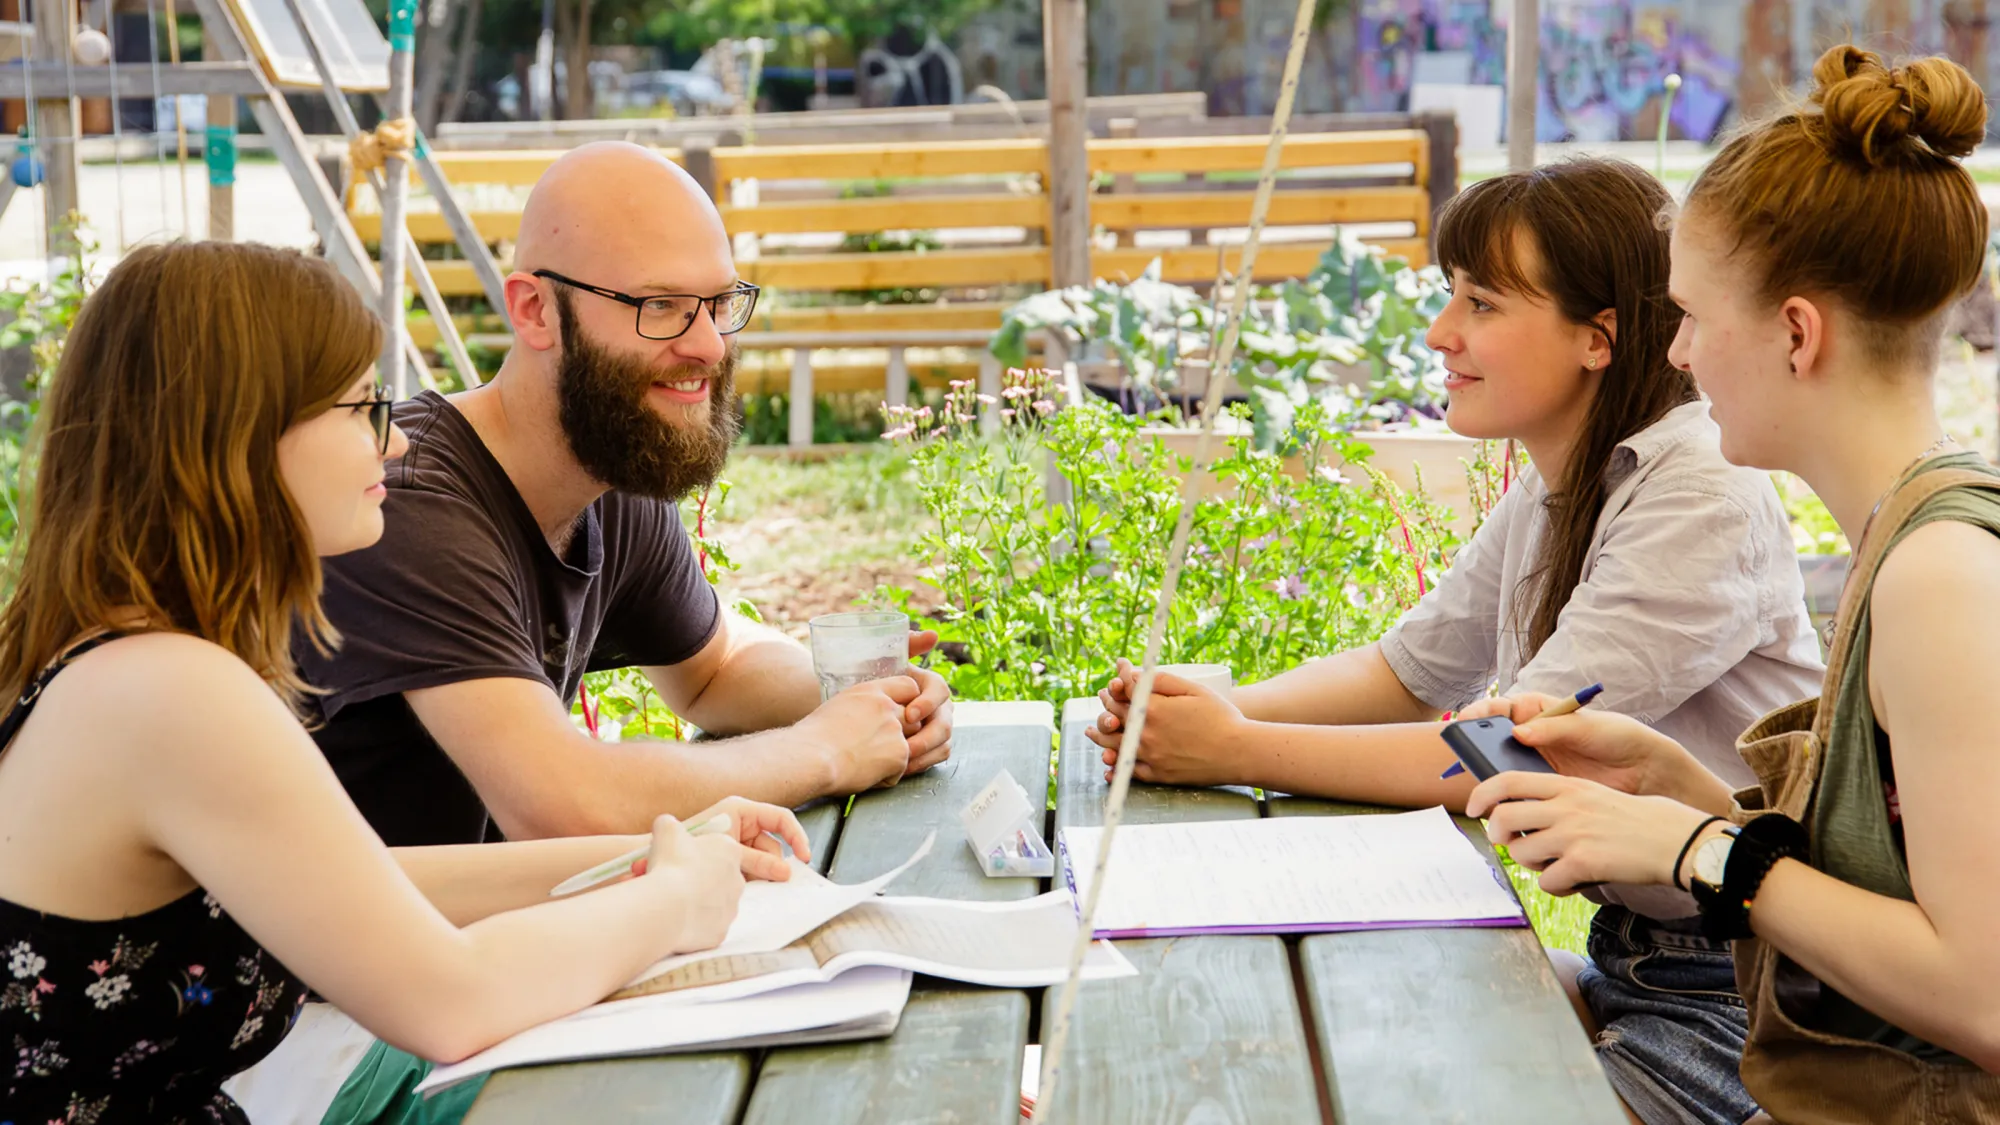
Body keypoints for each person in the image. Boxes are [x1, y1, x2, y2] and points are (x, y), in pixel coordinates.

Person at [1089, 157, 1825, 1125]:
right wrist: (1205, 710)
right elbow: (1402, 671)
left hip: (1744, 1001)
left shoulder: (1695, 495)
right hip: (1636, 959)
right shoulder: (1560, 482)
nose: (1440, 334)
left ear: (1595, 338)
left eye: (1479, 303)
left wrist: (1231, 750)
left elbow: (1504, 752)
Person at [0, 241, 804, 1123]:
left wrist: (653, 850)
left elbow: (360, 881)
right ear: (239, 436)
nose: (397, 436)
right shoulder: (171, 693)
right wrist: (676, 901)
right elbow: (452, 1001)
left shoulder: (120, 652)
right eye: (361, 406)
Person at [1464, 46, 2000, 1121]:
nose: (1678, 355)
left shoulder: (1939, 579)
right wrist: (1684, 790)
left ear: (1795, 333)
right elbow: (1899, 889)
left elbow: (1981, 996)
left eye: (1693, 318)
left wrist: (1696, 849)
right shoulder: (1907, 536)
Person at [299, 139, 953, 853]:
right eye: (662, 304)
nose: (708, 344)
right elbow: (563, 804)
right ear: (536, 311)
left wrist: (865, 696)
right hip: (341, 959)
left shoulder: (607, 464)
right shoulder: (408, 505)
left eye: (719, 302)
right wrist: (825, 750)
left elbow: (714, 670)